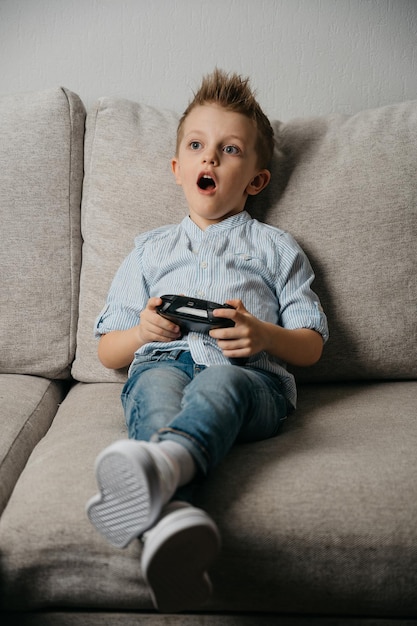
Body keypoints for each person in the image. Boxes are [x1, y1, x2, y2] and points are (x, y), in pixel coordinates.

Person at [86, 68, 329, 613]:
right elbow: (107, 350)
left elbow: (312, 344)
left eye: (229, 149)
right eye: (196, 146)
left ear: (257, 180)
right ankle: (171, 522)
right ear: (178, 169)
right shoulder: (149, 251)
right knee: (154, 391)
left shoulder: (277, 248)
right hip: (164, 360)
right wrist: (143, 333)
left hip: (248, 378)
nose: (210, 159)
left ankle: (161, 472)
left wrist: (262, 335)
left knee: (220, 381)